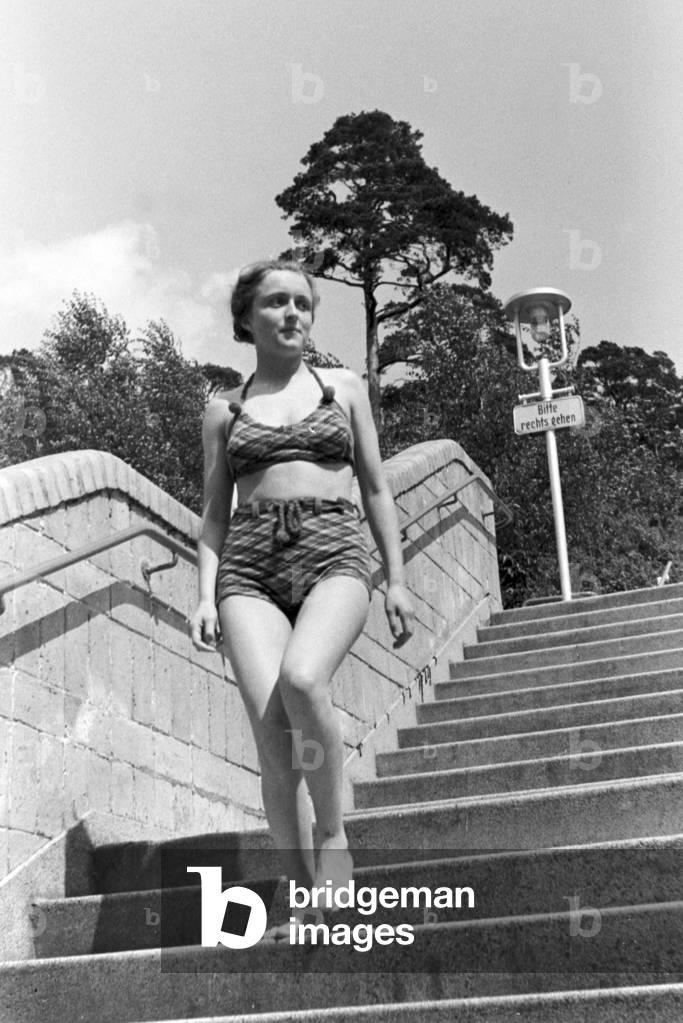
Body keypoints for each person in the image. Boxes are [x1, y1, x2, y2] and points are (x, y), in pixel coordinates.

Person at [190, 258, 414, 936]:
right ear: (246, 318)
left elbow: (375, 486)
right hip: (248, 569)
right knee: (271, 736)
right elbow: (214, 514)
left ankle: (334, 838)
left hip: (334, 552)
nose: (292, 313)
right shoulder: (223, 409)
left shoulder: (343, 388)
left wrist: (396, 577)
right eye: (276, 302)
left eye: (302, 303)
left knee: (303, 679)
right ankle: (295, 887)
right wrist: (205, 596)